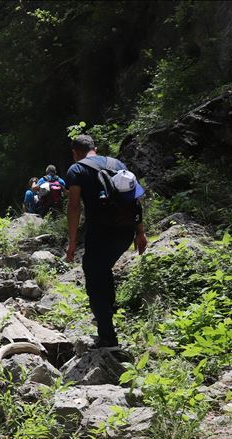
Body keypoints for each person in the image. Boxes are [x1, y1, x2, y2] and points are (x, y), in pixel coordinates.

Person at [65, 134, 148, 349]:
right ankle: (108, 311)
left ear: (75, 153)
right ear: (95, 148)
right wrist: (140, 233)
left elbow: (74, 206)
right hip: (125, 232)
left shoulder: (76, 170)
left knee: (94, 277)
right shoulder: (117, 163)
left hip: (100, 232)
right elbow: (134, 197)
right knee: (104, 270)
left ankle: (107, 337)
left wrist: (72, 242)